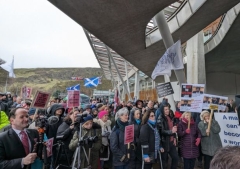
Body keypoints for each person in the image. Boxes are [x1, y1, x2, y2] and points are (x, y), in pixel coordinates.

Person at [157, 105, 178, 169]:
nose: (167, 110)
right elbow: (162, 131)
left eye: (168, 109)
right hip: (164, 142)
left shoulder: (169, 117)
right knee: (164, 161)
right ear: (162, 110)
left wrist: (174, 137)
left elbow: (172, 129)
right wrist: (171, 131)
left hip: (171, 142)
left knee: (175, 158)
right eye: (165, 109)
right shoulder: (160, 118)